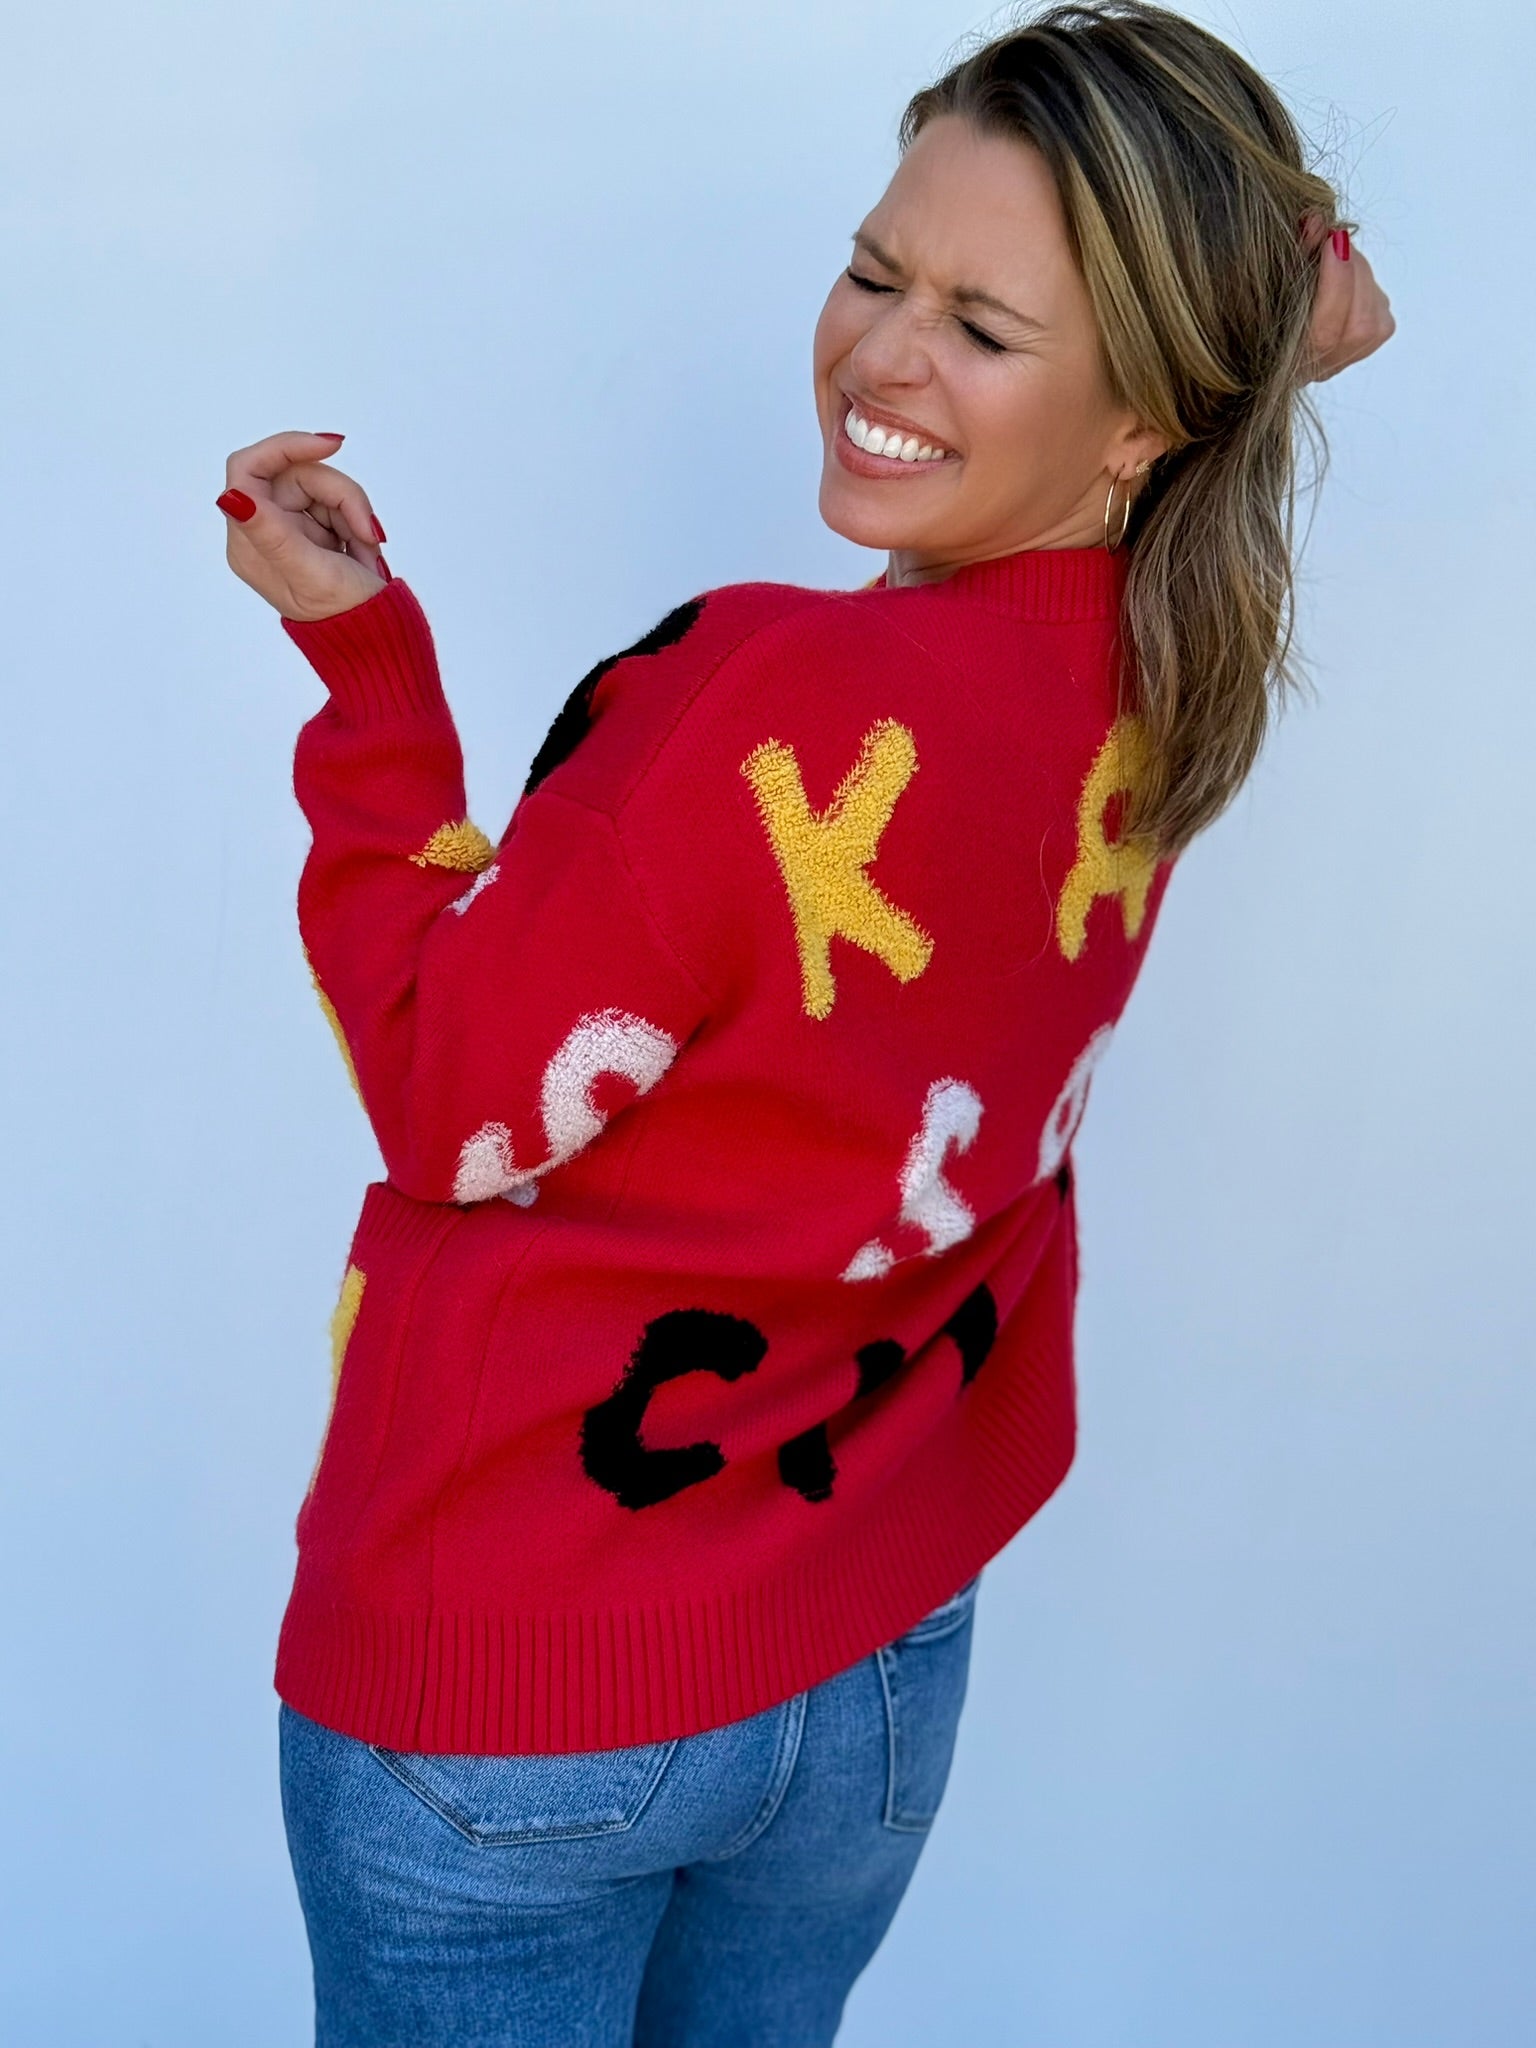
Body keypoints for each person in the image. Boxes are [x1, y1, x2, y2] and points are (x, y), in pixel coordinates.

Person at [216, 5, 1394, 2042]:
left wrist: (369, 682)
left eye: (982, 327)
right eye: (873, 270)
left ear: (1146, 413)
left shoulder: (756, 701)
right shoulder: (1171, 663)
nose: (880, 356)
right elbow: (1259, 359)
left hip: (525, 1675)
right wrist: (1264, 324)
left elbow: (447, 1096)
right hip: (877, 1645)